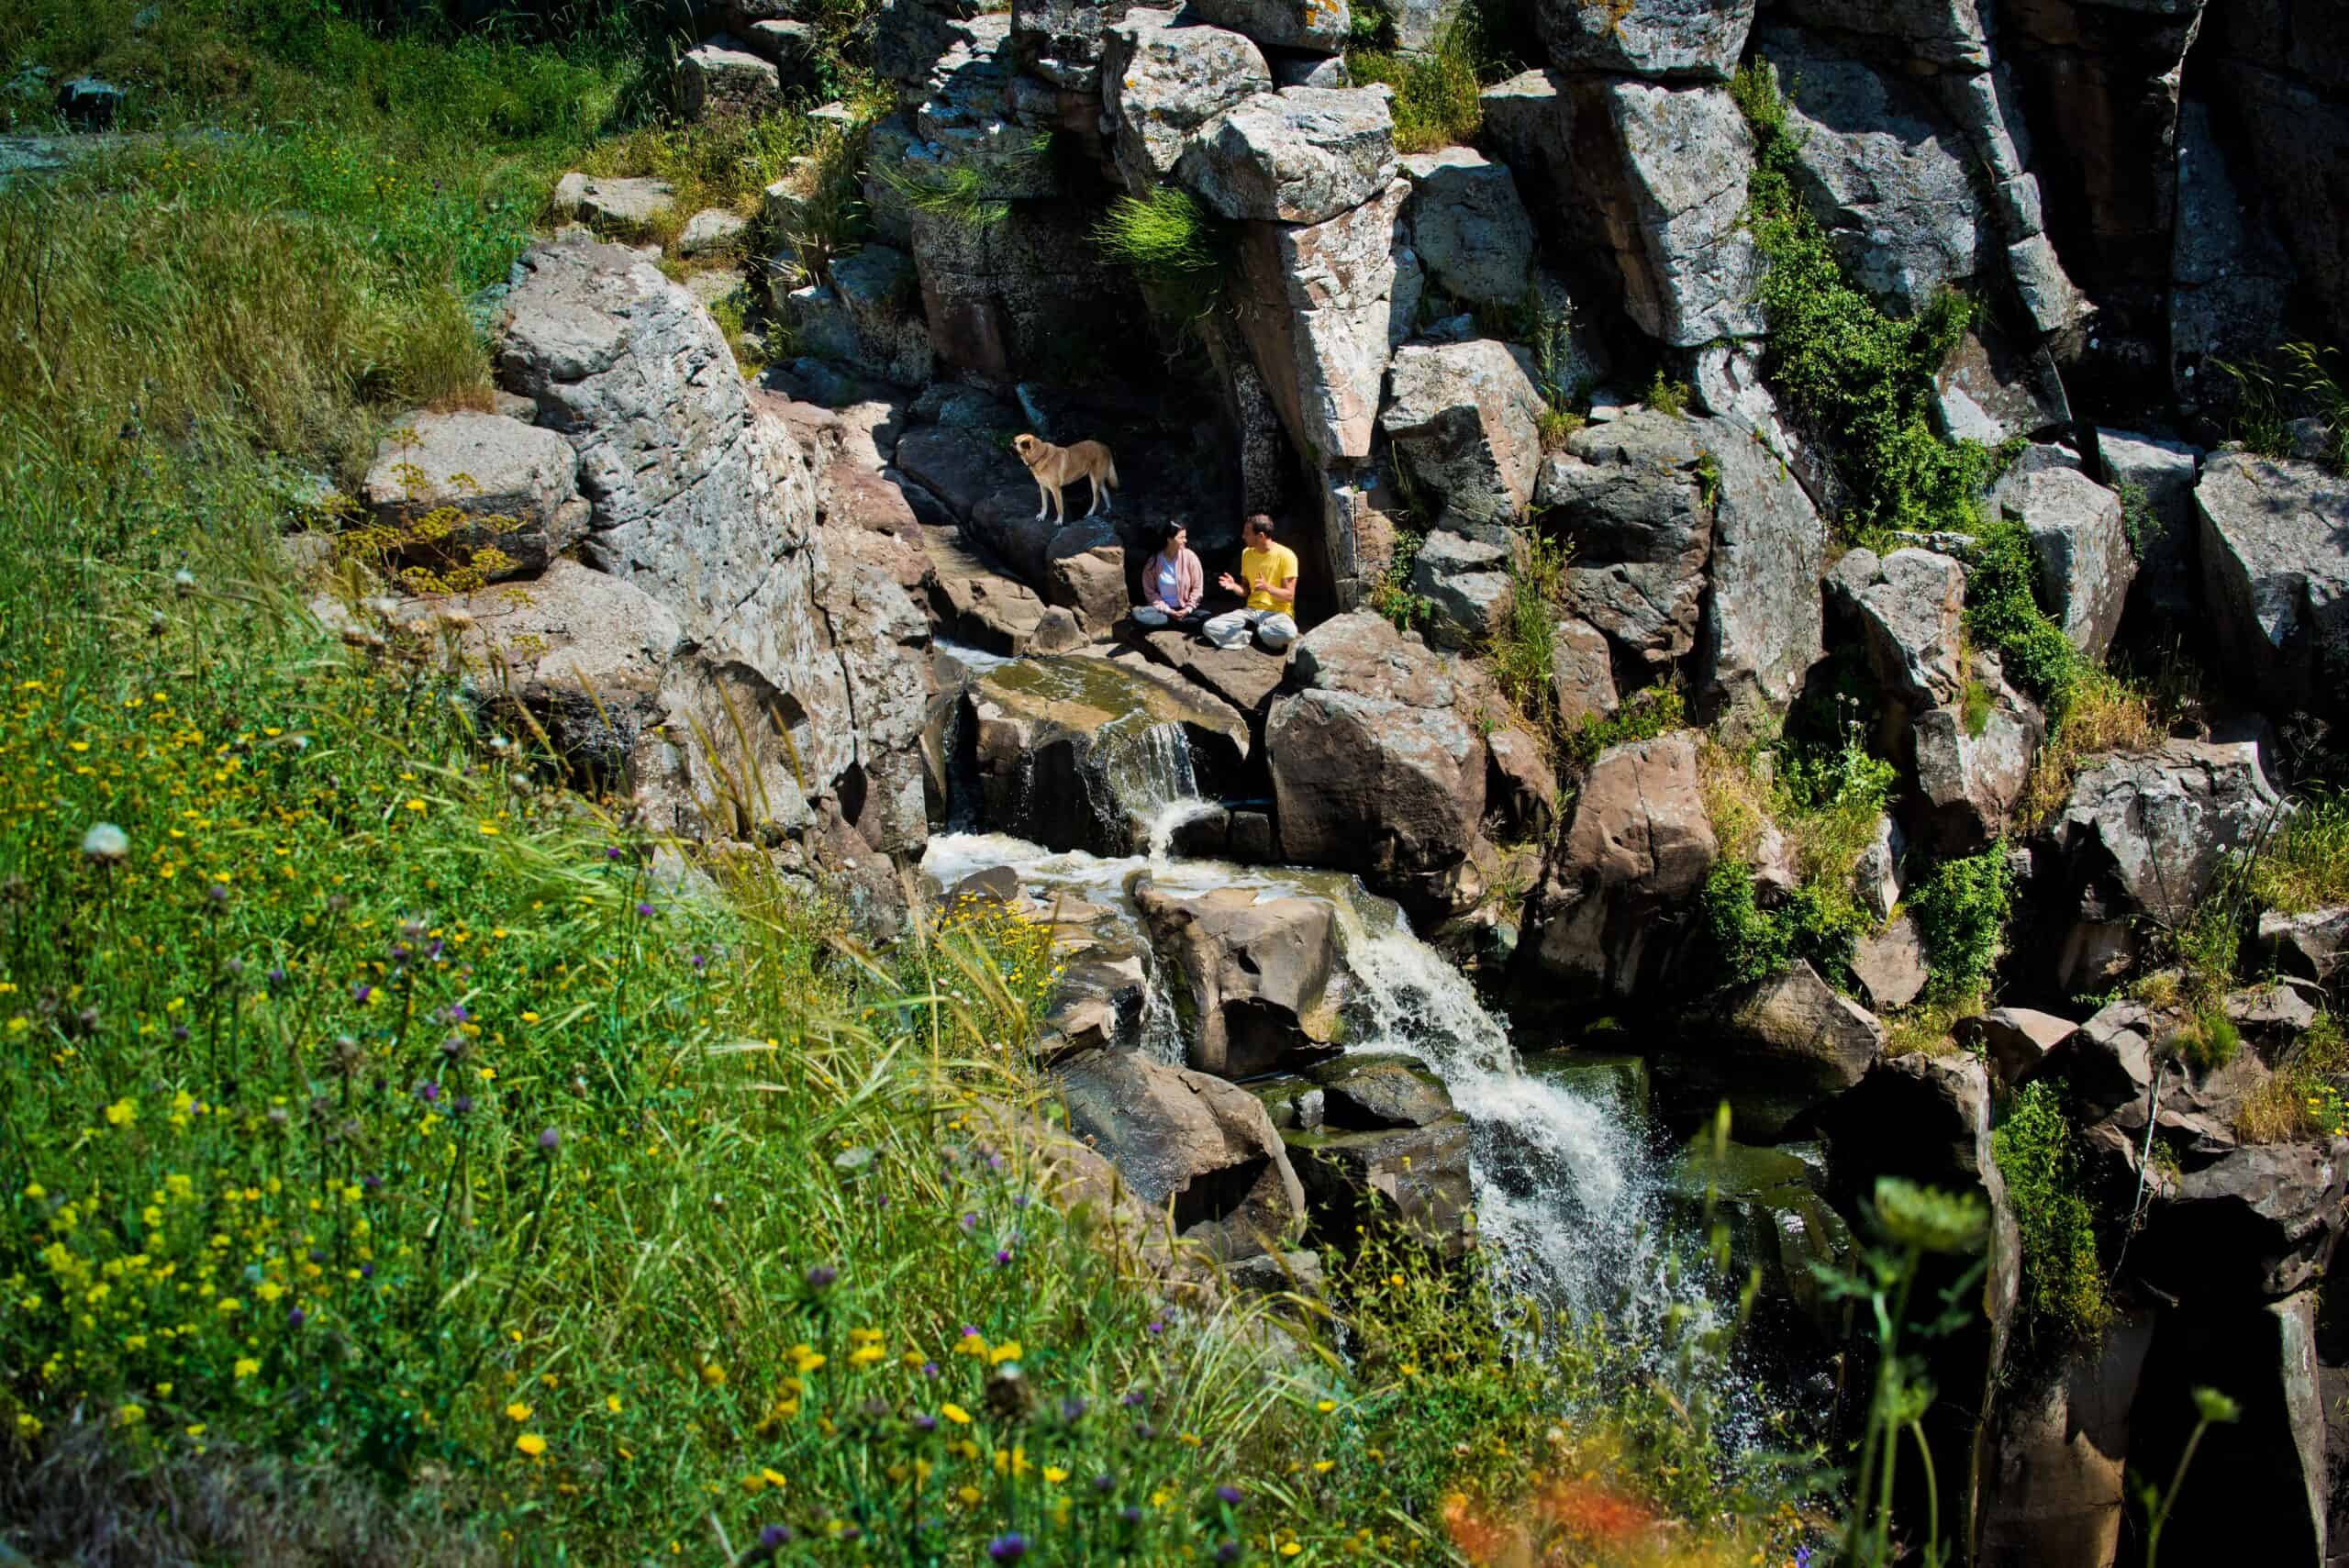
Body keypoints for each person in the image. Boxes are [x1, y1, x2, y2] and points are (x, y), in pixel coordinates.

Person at [1204, 514, 1298, 652]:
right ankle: (1255, 635)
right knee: (1210, 627)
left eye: (1247, 534)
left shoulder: (1287, 556)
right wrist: (1234, 586)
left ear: (1260, 536)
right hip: (1251, 613)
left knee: (1288, 633)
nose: (1243, 536)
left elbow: (1289, 596)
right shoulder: (1246, 554)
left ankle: (1250, 633)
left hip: (1278, 614)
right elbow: (1246, 591)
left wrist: (1267, 588)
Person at [1132, 521, 1204, 629]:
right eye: (1181, 537)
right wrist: (1169, 611)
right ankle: (1177, 623)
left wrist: (1187, 609)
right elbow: (1150, 592)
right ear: (1169, 539)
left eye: (1185, 537)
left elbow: (1198, 588)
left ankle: (1173, 623)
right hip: (1163, 612)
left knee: (1205, 618)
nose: (1185, 540)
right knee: (1139, 615)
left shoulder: (1190, 557)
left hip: (1185, 610)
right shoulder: (1154, 561)